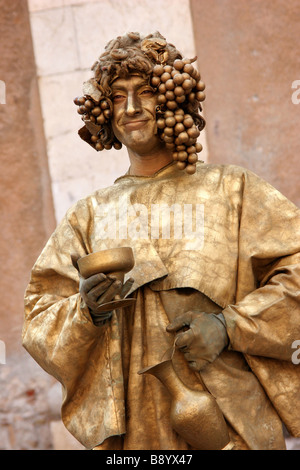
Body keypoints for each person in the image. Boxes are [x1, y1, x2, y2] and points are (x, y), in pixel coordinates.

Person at [23, 31, 300, 450]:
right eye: (117, 96)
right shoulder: (89, 215)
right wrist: (87, 311)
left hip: (233, 424)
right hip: (139, 437)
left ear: (173, 98)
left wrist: (229, 326)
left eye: (147, 91)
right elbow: (40, 319)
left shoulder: (234, 190)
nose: (131, 108)